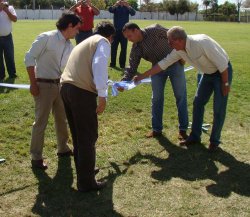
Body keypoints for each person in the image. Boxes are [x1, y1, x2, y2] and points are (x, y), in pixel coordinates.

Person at [134, 26, 233, 152]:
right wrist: (142, 76)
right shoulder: (179, 50)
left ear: (179, 40)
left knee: (218, 107)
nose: (168, 44)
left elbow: (223, 64)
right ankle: (195, 136)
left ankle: (214, 142)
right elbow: (162, 64)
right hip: (207, 74)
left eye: (170, 41)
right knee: (198, 103)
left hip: (222, 73)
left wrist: (225, 84)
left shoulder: (202, 42)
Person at [60, 21, 115, 192]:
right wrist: (102, 95)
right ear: (111, 37)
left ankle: (85, 171)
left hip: (66, 89)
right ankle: (86, 182)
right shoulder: (102, 42)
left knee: (78, 136)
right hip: (81, 92)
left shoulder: (84, 43)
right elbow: (99, 65)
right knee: (87, 137)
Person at [24, 12, 82, 170]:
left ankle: (63, 149)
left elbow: (70, 67)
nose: (78, 32)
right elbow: (29, 58)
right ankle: (36, 157)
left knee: (61, 119)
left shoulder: (69, 46)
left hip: (60, 85)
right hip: (43, 86)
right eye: (76, 28)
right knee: (40, 122)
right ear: (69, 26)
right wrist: (33, 83)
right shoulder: (46, 37)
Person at [122, 23, 189, 140]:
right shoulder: (136, 48)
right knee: (156, 98)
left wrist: (182, 54)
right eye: (127, 38)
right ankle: (157, 129)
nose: (129, 40)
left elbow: (175, 36)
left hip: (175, 64)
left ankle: (183, 129)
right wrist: (123, 82)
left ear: (137, 30)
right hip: (156, 69)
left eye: (130, 36)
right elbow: (132, 67)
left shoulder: (155, 30)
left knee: (180, 96)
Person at [108, 0, 136, 68]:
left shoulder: (127, 7)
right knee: (113, 48)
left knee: (123, 49)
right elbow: (110, 10)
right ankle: (113, 64)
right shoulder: (116, 7)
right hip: (115, 31)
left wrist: (128, 6)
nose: (121, 1)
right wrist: (115, 4)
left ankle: (122, 65)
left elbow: (133, 13)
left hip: (125, 32)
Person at [0, 0, 17, 80]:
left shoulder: (10, 8)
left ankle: (12, 74)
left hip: (7, 37)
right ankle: (1, 75)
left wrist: (6, 10)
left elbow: (15, 19)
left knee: (10, 56)